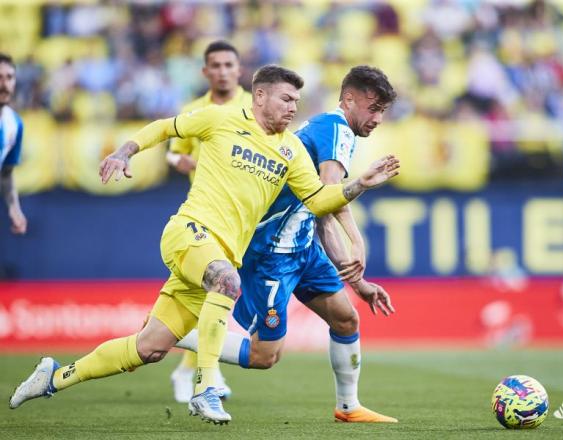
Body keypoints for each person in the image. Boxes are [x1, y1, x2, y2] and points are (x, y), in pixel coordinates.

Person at [9, 65, 400, 426]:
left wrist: (359, 184)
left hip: (224, 252)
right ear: (259, 96)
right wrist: (124, 150)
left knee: (149, 348)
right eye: (285, 99)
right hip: (189, 233)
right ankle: (206, 388)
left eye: (296, 102)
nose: (292, 108)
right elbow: (165, 128)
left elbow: (319, 200)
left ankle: (53, 376)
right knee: (226, 282)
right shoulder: (223, 119)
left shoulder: (292, 151)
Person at [176, 65, 399, 423]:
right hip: (271, 254)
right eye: (373, 109)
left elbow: (320, 214)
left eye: (383, 112)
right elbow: (329, 197)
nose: (377, 119)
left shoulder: (328, 129)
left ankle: (348, 407)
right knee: (266, 356)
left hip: (302, 245)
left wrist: (358, 283)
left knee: (346, 319)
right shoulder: (336, 128)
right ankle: (179, 332)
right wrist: (357, 244)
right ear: (349, 99)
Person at [167, 40, 252, 404]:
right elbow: (173, 153)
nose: (221, 71)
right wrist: (180, 163)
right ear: (205, 72)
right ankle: (200, 371)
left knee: (219, 298)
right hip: (204, 215)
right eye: (214, 65)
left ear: (239, 69)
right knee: (213, 294)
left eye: (228, 64)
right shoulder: (193, 110)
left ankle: (196, 367)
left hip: (244, 217)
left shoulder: (255, 106)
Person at [0, 53, 27, 235]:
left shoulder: (14, 124)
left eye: (9, 77)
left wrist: (14, 207)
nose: (4, 84)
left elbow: (6, 173)